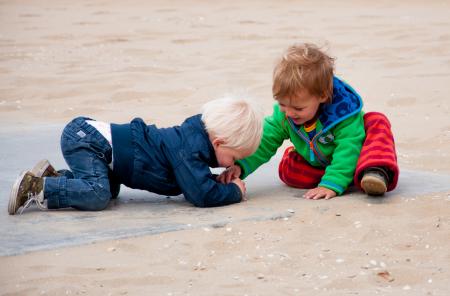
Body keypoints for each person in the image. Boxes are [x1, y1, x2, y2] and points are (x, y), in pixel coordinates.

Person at [8, 97, 263, 215]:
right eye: (233, 157)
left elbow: (194, 178)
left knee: (109, 190)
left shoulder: (194, 141)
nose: (232, 164)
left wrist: (213, 179)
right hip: (87, 140)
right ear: (218, 142)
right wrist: (234, 192)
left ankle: (57, 177)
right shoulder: (189, 148)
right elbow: (200, 194)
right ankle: (36, 187)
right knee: (98, 195)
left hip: (97, 145)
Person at [218, 43, 399, 199]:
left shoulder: (343, 115)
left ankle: (375, 171)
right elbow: (265, 141)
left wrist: (331, 184)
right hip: (320, 164)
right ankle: (348, 176)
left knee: (376, 120)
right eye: (282, 104)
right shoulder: (285, 115)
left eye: (298, 108)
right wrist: (241, 166)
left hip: (360, 156)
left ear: (322, 96)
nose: (288, 113)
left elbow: (349, 148)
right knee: (289, 171)